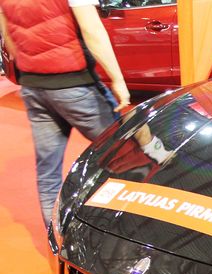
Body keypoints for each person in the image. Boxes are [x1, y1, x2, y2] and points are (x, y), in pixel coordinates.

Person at [0, 0, 130, 227]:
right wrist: (118, 79)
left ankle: (55, 234)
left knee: (47, 171)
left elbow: (9, 39)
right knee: (124, 154)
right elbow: (92, 30)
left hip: (33, 86)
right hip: (75, 86)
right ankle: (125, 229)